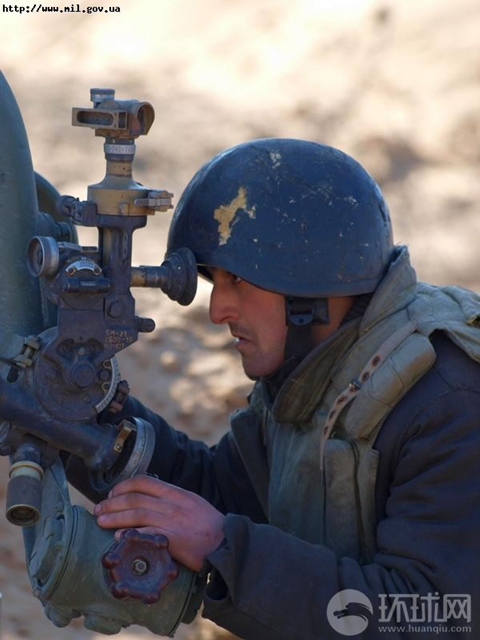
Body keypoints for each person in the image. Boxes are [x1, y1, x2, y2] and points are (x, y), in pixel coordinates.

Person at [73, 139, 480, 639]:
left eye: (237, 281)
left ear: (308, 286)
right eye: (214, 281)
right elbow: (231, 495)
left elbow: (433, 618)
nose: (218, 310)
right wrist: (88, 421)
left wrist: (223, 548)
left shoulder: (448, 401)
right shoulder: (321, 365)